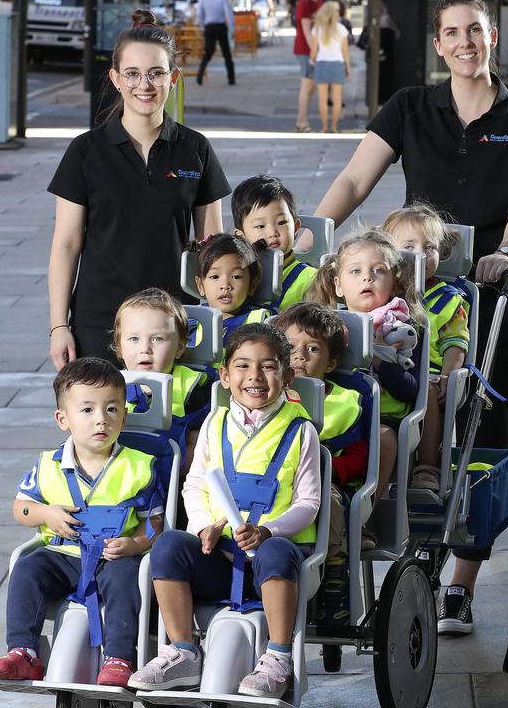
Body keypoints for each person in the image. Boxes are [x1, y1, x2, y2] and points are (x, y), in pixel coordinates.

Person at [314, 0, 508, 636]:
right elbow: (353, 180)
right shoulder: (410, 108)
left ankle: (460, 584)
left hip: (495, 292)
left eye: (475, 31)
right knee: (400, 407)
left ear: (493, 37)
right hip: (415, 297)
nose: (464, 42)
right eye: (452, 32)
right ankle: (388, 532)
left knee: (483, 433)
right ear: (439, 42)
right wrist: (310, 236)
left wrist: (507, 250)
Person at [129, 323, 320, 698]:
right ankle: (182, 651)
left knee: (278, 550)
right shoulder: (213, 424)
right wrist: (203, 528)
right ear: (225, 376)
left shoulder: (301, 432)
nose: (255, 376)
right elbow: (194, 485)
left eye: (268, 366)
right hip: (217, 558)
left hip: (273, 567)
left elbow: (309, 504)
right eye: (243, 366)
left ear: (288, 374)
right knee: (167, 546)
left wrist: (269, 531)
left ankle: (279, 657)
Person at [47, 10, 230, 368]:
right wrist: (58, 326)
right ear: (116, 78)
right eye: (132, 73)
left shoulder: (195, 149)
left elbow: (212, 243)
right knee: (100, 423)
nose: (143, 85)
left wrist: (218, 317)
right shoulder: (85, 151)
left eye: (156, 73)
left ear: (173, 78)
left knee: (173, 423)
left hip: (173, 325)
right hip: (99, 322)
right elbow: (66, 244)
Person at [0, 358, 164, 687]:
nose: (101, 420)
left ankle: (119, 657)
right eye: (87, 410)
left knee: (126, 577)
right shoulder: (48, 465)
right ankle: (24, 652)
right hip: (62, 555)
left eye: (111, 409)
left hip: (112, 558)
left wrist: (135, 544)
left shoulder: (139, 467)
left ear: (124, 415)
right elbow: (20, 508)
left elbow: (155, 523)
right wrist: (46, 513)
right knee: (28, 567)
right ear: (63, 419)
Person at [308, 231, 427, 517]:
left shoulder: (403, 328)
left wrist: (378, 356)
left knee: (385, 439)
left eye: (378, 271)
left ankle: (365, 515)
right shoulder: (324, 325)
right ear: (337, 285)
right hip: (338, 416)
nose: (367, 278)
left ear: (394, 282)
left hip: (383, 417)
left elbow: (411, 389)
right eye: (356, 271)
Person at [274, 301, 371, 624]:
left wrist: (330, 470)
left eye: (312, 349)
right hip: (273, 484)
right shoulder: (268, 395)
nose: (299, 356)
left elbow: (360, 456)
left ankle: (334, 571)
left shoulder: (347, 401)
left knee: (328, 502)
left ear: (330, 363)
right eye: (290, 348)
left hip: (327, 484)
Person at [379, 204, 471, 492]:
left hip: (428, 373)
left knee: (426, 391)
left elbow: (456, 342)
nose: (420, 254)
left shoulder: (448, 300)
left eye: (428, 247)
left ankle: (428, 465)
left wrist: (447, 373)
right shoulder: (383, 291)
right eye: (409, 246)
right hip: (389, 366)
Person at [113, 288, 212, 467]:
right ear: (119, 348)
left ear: (180, 347)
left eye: (157, 339)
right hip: (126, 473)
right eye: (134, 339)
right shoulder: (111, 387)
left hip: (177, 474)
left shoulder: (196, 386)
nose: (145, 348)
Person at [232, 174, 318, 313]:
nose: (273, 232)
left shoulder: (311, 279)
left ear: (296, 228)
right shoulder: (234, 274)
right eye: (260, 226)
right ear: (241, 237)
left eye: (282, 222)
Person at [193, 233, 270, 339]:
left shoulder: (261, 321)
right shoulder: (190, 320)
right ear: (201, 285)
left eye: (236, 277)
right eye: (215, 277)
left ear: (252, 286)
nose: (225, 285)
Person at [309, 0, 351, 133]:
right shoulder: (341, 29)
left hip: (321, 64)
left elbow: (314, 51)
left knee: (322, 99)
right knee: (337, 99)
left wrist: (311, 60)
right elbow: (345, 51)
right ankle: (334, 127)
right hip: (337, 65)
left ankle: (324, 127)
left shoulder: (317, 28)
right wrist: (348, 67)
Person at [292, 0, 324, 132]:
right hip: (305, 50)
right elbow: (306, 32)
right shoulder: (304, 4)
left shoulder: (319, 3)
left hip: (313, 50)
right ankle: (302, 122)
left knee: (311, 87)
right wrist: (315, 53)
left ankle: (301, 120)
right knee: (307, 85)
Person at [196, 0, 237, 86]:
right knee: (226, 54)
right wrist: (232, 29)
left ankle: (200, 75)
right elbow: (229, 14)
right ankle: (231, 79)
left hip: (209, 27)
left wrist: (203, 27)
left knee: (208, 53)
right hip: (221, 27)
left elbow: (199, 14)